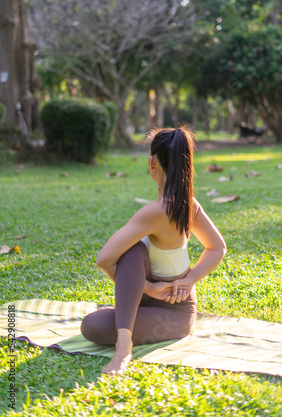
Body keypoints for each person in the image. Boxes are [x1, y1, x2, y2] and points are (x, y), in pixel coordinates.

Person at [81, 127, 227, 375]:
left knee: (91, 325)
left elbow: (104, 259)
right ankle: (125, 331)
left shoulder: (156, 211)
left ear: (153, 162)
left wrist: (179, 283)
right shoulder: (188, 204)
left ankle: (123, 346)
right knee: (133, 250)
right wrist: (182, 281)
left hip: (175, 312)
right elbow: (217, 248)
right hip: (156, 298)